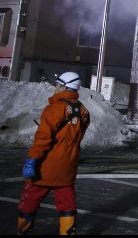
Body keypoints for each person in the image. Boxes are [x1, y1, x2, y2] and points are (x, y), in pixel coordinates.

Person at [17, 72, 90, 235]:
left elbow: (43, 139)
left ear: (64, 86)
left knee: (29, 201)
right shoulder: (83, 111)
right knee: (67, 204)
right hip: (68, 167)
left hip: (46, 166)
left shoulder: (55, 108)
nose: (55, 88)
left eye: (58, 84)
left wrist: (32, 160)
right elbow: (77, 138)